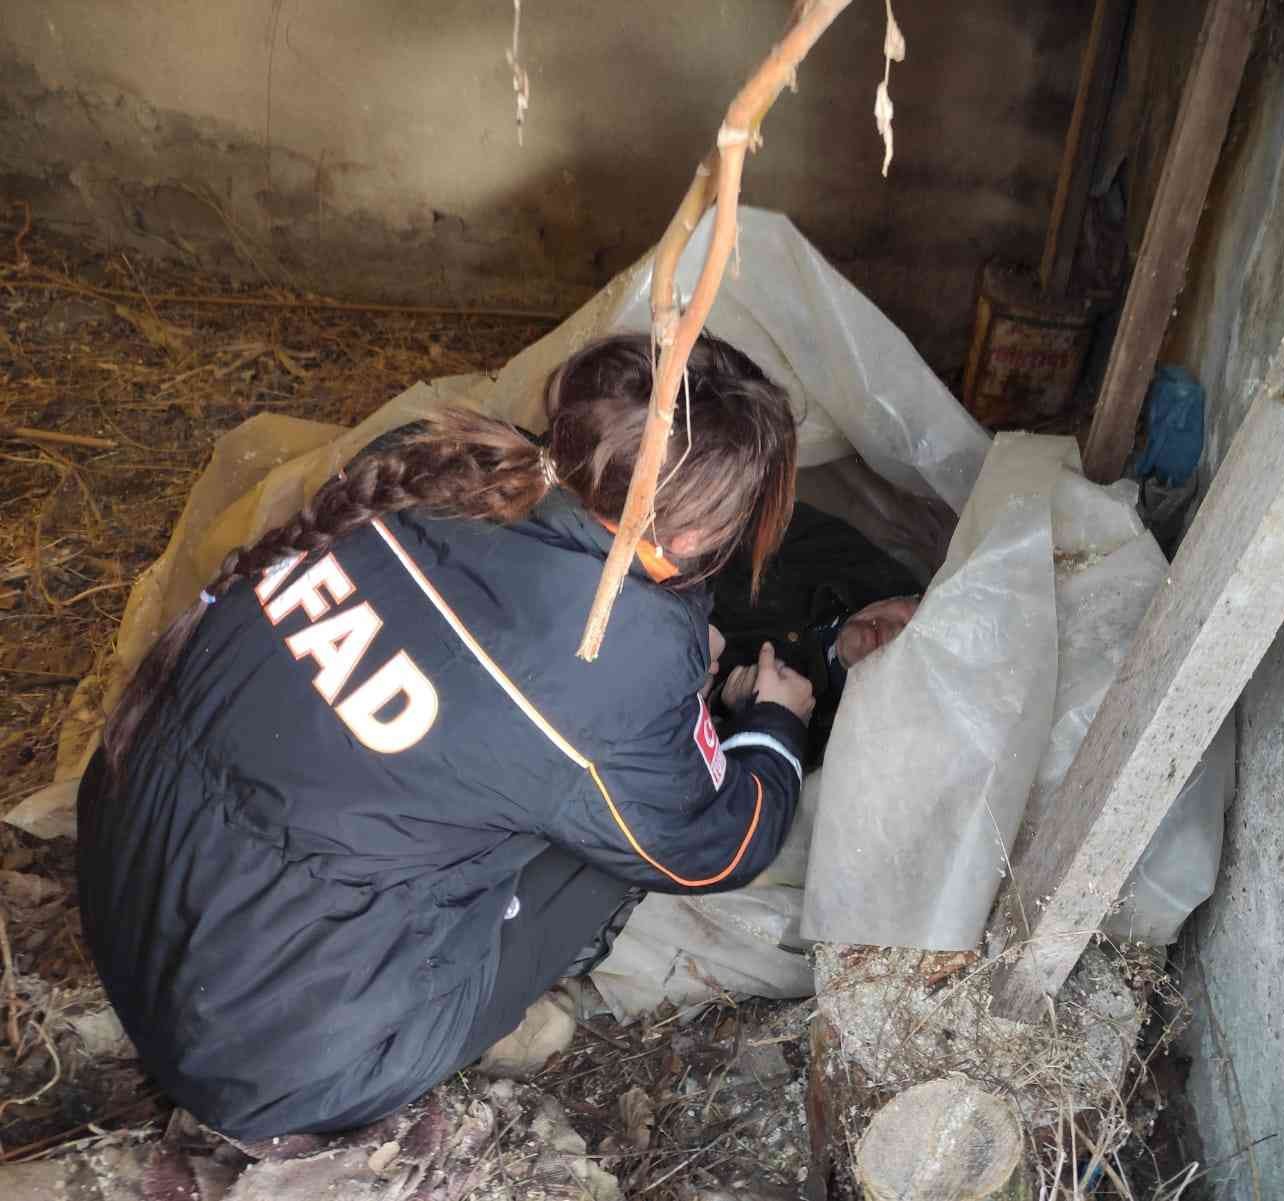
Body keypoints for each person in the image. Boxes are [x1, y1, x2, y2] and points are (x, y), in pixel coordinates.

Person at [75, 333, 814, 1139]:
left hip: (126, 889)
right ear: (702, 533)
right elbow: (712, 844)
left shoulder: (431, 459)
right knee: (617, 827)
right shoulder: (616, 652)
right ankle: (500, 1009)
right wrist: (774, 723)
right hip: (270, 1058)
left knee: (533, 774)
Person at [709, 501, 923, 760]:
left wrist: (726, 701)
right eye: (914, 619)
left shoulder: (827, 742)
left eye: (911, 657)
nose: (894, 636)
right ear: (910, 595)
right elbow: (754, 513)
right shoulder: (849, 559)